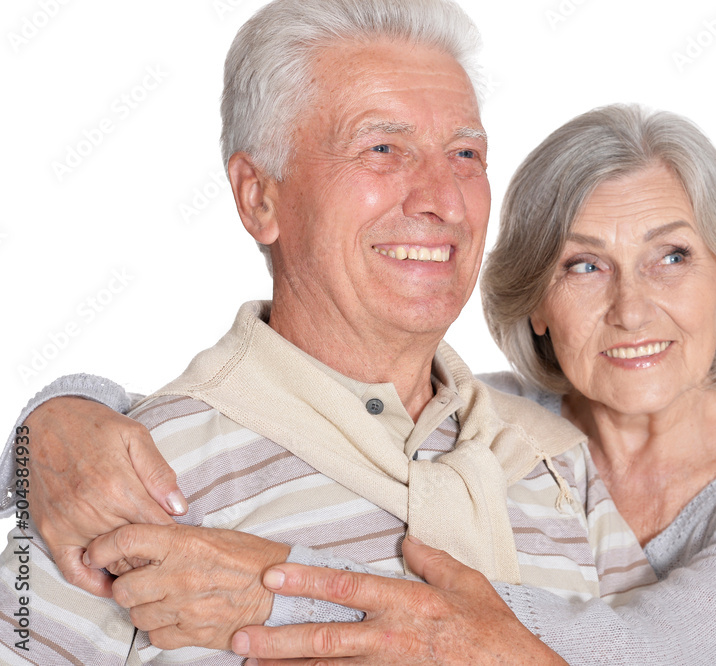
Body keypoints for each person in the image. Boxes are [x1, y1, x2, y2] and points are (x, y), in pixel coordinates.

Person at [3, 102, 716, 664]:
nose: (633, 309)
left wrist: (277, 580)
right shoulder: (494, 426)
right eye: (585, 267)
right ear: (535, 302)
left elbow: (650, 657)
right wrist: (54, 419)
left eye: (673, 256)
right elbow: (281, 399)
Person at [0, 1, 657, 663]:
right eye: (382, 149)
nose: (443, 199)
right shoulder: (121, 484)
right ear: (259, 197)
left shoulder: (559, 464)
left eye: (465, 153)